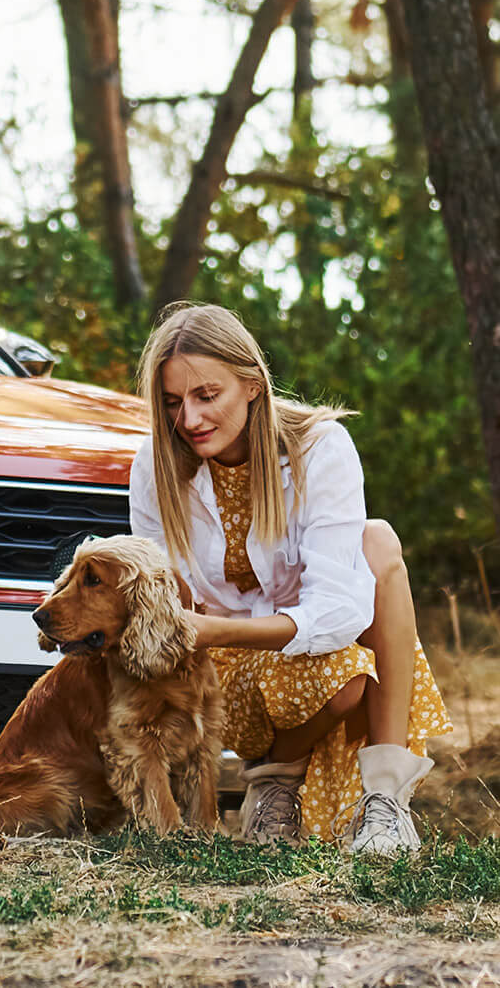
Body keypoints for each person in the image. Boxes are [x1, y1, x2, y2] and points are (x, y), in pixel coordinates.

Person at [128, 303, 452, 852]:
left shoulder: (319, 447)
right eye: (173, 402)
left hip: (284, 645)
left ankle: (385, 802)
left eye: (208, 395)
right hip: (218, 674)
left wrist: (218, 628)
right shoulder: (155, 465)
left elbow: (339, 614)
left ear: (253, 384)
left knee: (378, 544)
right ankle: (274, 776)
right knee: (342, 660)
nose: (190, 420)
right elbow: (161, 607)